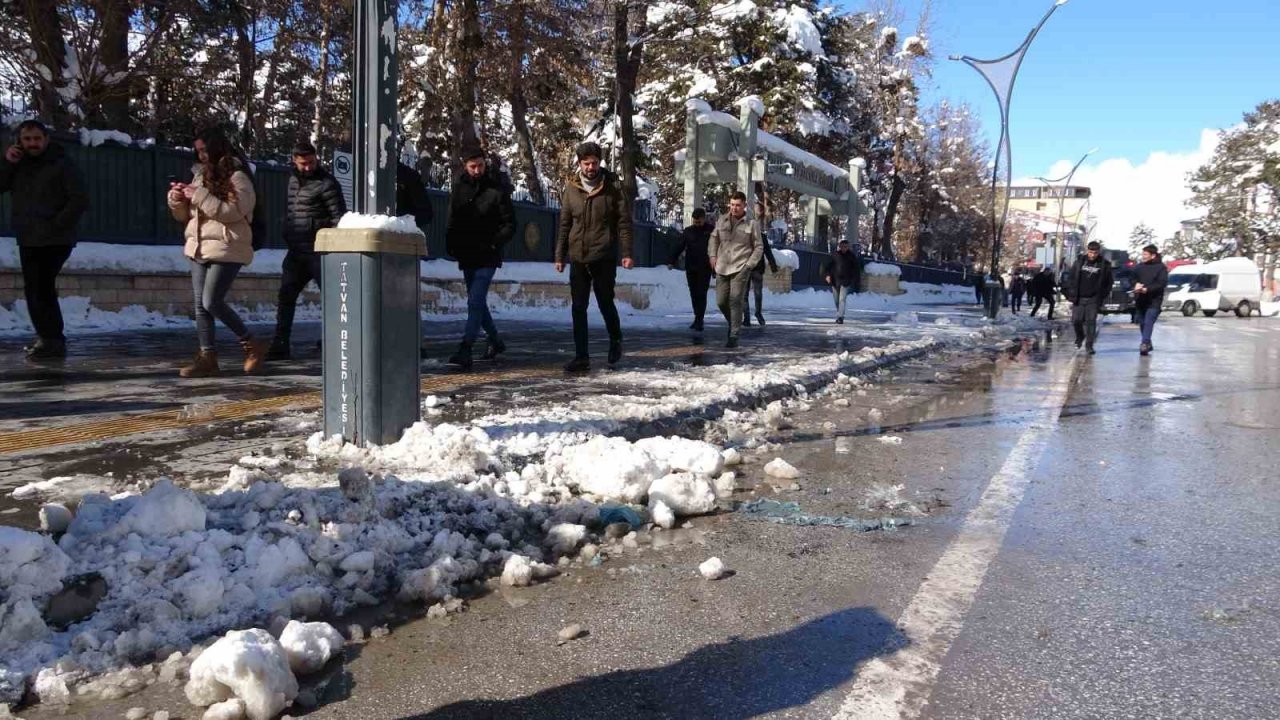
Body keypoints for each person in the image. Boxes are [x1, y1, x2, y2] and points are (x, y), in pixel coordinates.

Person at [168, 128, 267, 377]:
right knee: (201, 306)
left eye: (204, 150)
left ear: (216, 148)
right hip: (199, 245)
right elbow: (184, 217)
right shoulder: (199, 177)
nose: (201, 155)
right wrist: (177, 200)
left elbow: (231, 212)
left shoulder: (239, 177)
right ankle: (207, 357)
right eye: (197, 151)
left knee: (211, 301)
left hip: (227, 246)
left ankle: (252, 344)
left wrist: (198, 195)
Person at [0, 120, 89, 359]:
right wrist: (8, 162)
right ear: (20, 140)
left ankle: (51, 339)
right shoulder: (19, 163)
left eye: (36, 139)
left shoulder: (61, 163)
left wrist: (58, 224)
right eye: (27, 139)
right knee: (36, 289)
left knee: (41, 287)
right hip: (29, 237)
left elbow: (79, 199)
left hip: (55, 238)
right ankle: (49, 338)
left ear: (46, 139)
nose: (32, 144)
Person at [555, 141, 633, 372]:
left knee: (605, 301)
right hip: (578, 256)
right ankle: (581, 356)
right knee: (578, 307)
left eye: (595, 163)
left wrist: (627, 253)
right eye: (586, 163)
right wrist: (560, 255)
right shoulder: (571, 188)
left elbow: (624, 223)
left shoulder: (612, 187)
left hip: (603, 255)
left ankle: (615, 339)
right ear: (579, 164)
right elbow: (565, 223)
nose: (591, 167)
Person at [266, 141, 346, 360]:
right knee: (286, 296)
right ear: (294, 161)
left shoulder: (327, 183)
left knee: (332, 299)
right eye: (303, 163)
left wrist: (330, 244)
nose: (308, 167)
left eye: (311, 162)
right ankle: (280, 344)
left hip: (320, 252)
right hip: (296, 251)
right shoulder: (292, 180)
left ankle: (334, 341)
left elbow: (339, 217)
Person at [444, 145, 514, 370]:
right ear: (465, 166)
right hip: (467, 253)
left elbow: (510, 223)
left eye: (480, 165)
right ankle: (495, 341)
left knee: (474, 301)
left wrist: (494, 242)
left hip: (488, 255)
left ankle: (466, 347)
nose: (477, 170)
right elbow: (452, 219)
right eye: (473, 166)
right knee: (478, 302)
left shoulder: (496, 188)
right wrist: (451, 244)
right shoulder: (459, 188)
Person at [709, 191, 763, 348]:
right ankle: (733, 323)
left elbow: (759, 247)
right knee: (720, 301)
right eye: (732, 205)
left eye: (738, 205)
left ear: (744, 205)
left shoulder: (752, 224)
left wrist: (749, 265)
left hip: (741, 266)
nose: (734, 208)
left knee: (735, 300)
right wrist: (712, 256)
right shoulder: (722, 220)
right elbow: (714, 239)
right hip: (722, 266)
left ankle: (734, 334)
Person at [1064, 241, 1114, 354]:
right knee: (1076, 320)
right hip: (1079, 297)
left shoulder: (1104, 264)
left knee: (1091, 322)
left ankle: (1089, 345)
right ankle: (1080, 336)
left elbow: (1108, 282)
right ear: (1087, 251)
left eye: (1095, 253)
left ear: (1098, 252)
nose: (1092, 255)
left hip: (1093, 298)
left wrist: (1103, 294)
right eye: (1091, 252)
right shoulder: (1079, 262)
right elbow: (1071, 278)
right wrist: (1069, 292)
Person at [668, 207, 713, 331]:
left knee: (701, 293)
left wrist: (716, 267)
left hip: (705, 267)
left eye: (699, 221)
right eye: (695, 221)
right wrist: (672, 260)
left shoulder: (711, 231)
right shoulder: (688, 231)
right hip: (691, 267)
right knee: (693, 293)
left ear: (704, 219)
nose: (697, 224)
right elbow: (679, 246)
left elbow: (718, 248)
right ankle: (697, 317)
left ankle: (700, 319)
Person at [1132, 243, 1168, 356]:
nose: (1143, 256)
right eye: (1143, 254)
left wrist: (1147, 289)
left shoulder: (1161, 268)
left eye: (1146, 254)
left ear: (1153, 256)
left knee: (1148, 321)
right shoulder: (1138, 267)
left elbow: (1161, 283)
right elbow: (1131, 279)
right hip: (1140, 300)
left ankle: (1144, 343)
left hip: (1154, 300)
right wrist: (1135, 285)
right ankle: (1148, 343)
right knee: (1142, 322)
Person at [821, 239, 860, 324]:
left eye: (845, 247)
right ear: (839, 246)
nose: (843, 248)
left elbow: (856, 269)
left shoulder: (852, 256)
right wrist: (827, 275)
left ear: (848, 247)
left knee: (842, 299)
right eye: (842, 246)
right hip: (835, 281)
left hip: (846, 281)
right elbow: (827, 266)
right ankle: (840, 313)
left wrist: (852, 279)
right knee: (836, 300)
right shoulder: (835, 255)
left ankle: (840, 317)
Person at [742, 238, 778, 327]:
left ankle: (757, 314)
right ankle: (747, 318)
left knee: (757, 294)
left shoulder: (761, 236)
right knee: (744, 294)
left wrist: (774, 268)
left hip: (757, 269)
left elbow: (768, 252)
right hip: (745, 268)